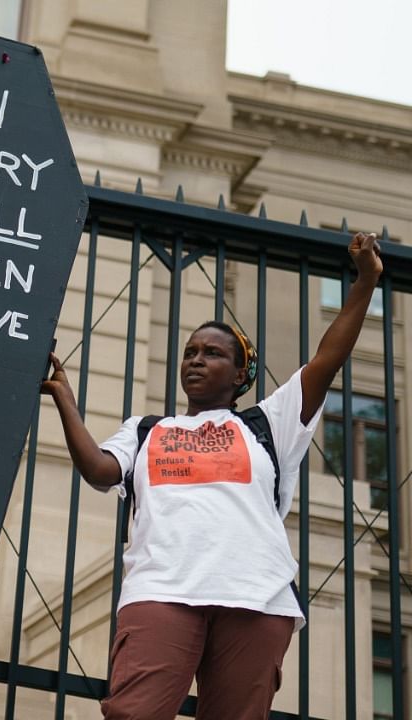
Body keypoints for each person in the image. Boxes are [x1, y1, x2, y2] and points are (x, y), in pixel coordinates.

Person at [41, 231, 382, 719]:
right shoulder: (145, 430)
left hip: (254, 595)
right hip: (161, 591)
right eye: (191, 352)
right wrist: (65, 400)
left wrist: (366, 281)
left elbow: (328, 358)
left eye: (214, 353)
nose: (197, 359)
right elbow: (98, 469)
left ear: (242, 375)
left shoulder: (269, 422)